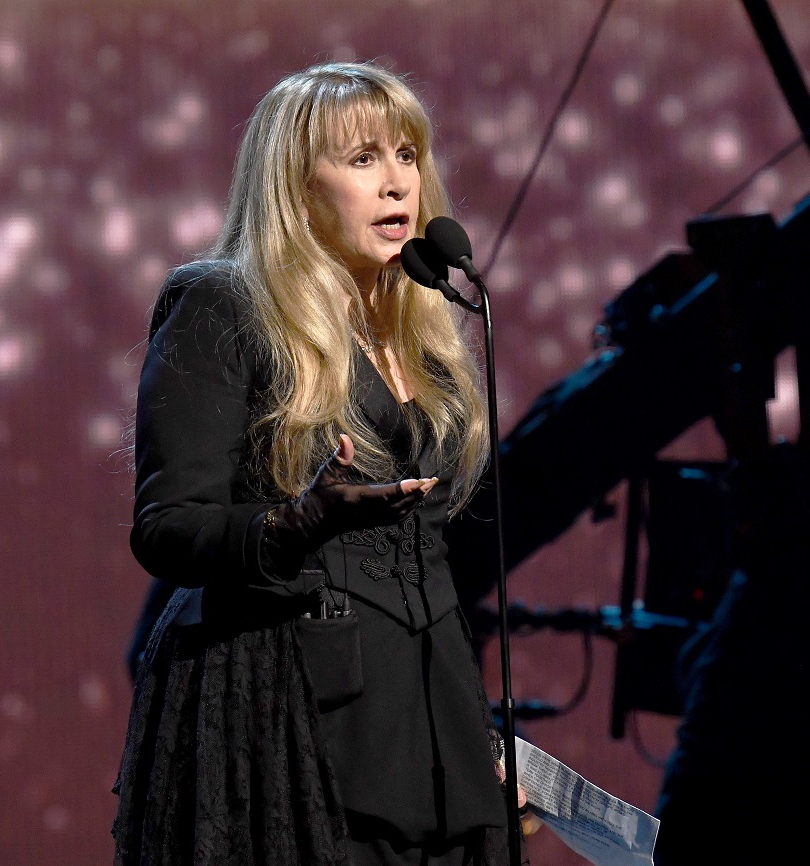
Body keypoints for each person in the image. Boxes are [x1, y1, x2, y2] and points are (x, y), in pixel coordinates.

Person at [112, 61, 529, 866]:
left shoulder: (426, 332)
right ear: (297, 185)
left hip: (427, 730)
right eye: (363, 159)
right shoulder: (224, 302)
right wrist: (294, 522)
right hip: (288, 716)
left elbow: (427, 565)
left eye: (407, 156)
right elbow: (167, 527)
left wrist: (473, 735)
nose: (397, 183)